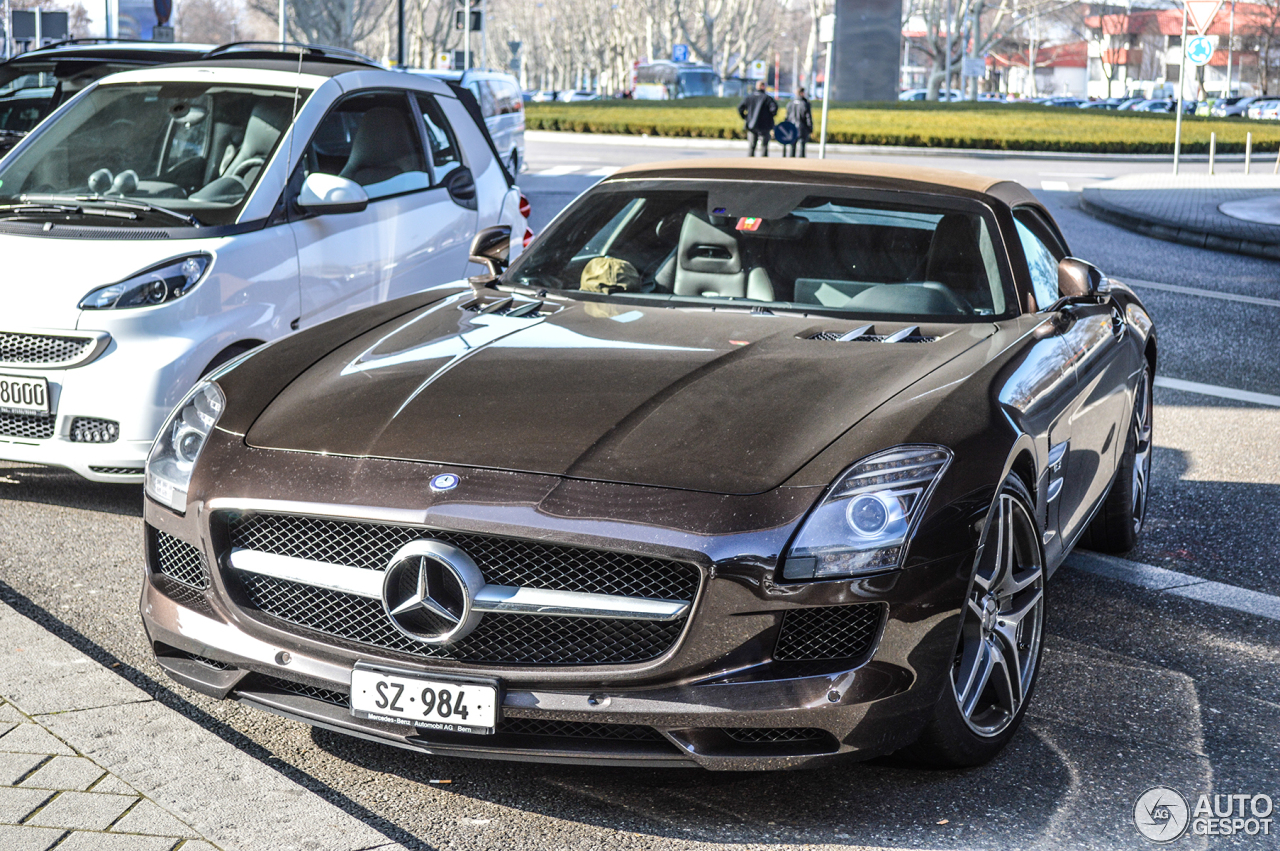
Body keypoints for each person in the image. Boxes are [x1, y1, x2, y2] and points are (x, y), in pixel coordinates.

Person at [737, 81, 778, 157]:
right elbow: (774, 109)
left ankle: (750, 164)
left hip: (751, 125)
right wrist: (769, 117)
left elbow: (740, 108)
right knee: (764, 146)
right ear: (763, 87)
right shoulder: (767, 98)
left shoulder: (749, 97)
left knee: (752, 146)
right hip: (764, 126)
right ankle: (763, 165)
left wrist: (746, 118)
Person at [783, 87, 813, 158]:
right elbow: (808, 117)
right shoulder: (805, 104)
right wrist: (810, 128)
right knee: (802, 146)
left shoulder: (790, 103)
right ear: (802, 93)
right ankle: (801, 162)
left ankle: (791, 161)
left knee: (792, 146)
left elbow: (786, 117)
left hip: (792, 127)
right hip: (802, 128)